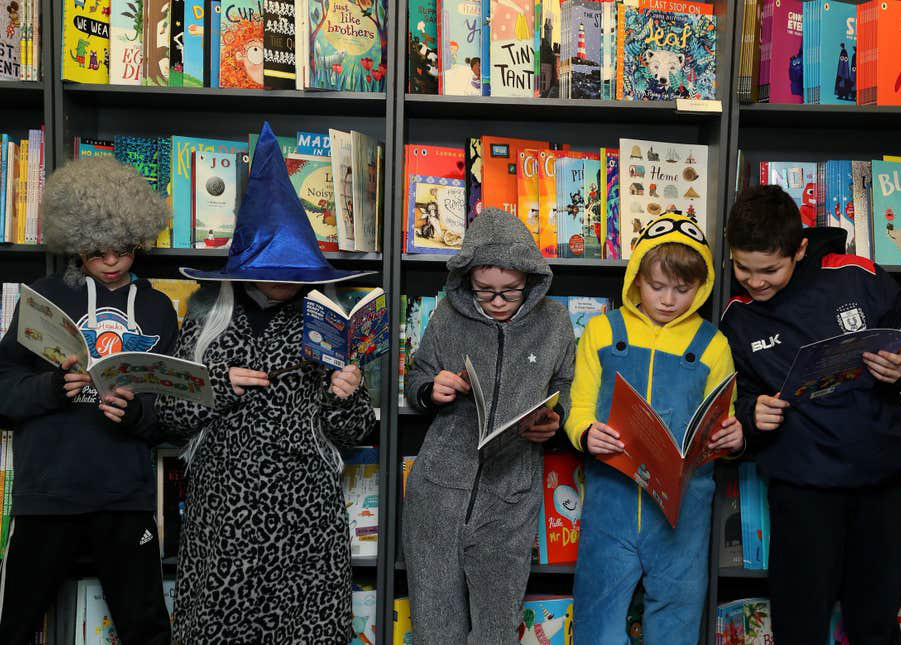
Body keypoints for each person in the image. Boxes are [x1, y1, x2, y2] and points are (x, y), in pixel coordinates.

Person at [155, 123, 376, 643]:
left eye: (296, 271)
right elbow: (169, 414)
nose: (285, 280)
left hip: (304, 515)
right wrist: (218, 383)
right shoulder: (205, 320)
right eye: (273, 268)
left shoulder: (326, 320)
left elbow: (354, 429)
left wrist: (347, 395)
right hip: (223, 515)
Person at [720, 185, 901, 644]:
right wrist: (750, 412)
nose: (755, 282)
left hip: (879, 483)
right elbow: (729, 405)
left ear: (799, 249)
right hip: (802, 492)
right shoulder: (737, 319)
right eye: (743, 268)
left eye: (769, 270)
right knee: (799, 625)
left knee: (874, 624)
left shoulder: (857, 276)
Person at [0, 157, 176, 644]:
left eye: (123, 249)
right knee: (14, 626)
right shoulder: (43, 297)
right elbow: (4, 386)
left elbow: (174, 412)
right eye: (97, 253)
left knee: (147, 630)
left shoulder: (159, 307)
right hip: (47, 497)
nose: (113, 261)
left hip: (125, 496)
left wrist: (137, 413)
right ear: (77, 245)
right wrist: (51, 388)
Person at [565, 211, 743, 644]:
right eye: (656, 286)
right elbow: (578, 407)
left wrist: (733, 439)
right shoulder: (602, 331)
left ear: (700, 287)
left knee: (677, 621)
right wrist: (587, 433)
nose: (668, 300)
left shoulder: (713, 344)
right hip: (613, 502)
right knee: (597, 619)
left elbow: (724, 417)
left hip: (682, 512)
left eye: (683, 290)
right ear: (635, 280)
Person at [402, 208, 575, 644]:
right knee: (435, 627)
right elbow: (416, 377)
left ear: (531, 281)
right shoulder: (446, 316)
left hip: (510, 497)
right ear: (467, 282)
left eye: (510, 292)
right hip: (438, 495)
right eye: (484, 292)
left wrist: (556, 418)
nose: (497, 302)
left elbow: (565, 385)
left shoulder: (554, 323)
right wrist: (431, 388)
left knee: (497, 630)